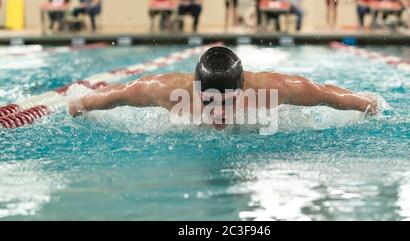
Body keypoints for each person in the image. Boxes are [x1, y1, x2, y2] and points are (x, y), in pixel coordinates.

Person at [69, 46, 379, 131]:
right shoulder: (164, 90)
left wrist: (364, 102)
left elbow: (323, 93)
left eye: (227, 102)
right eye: (209, 102)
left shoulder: (276, 88)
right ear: (195, 88)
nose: (218, 112)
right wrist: (82, 103)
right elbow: (119, 93)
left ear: (243, 88)